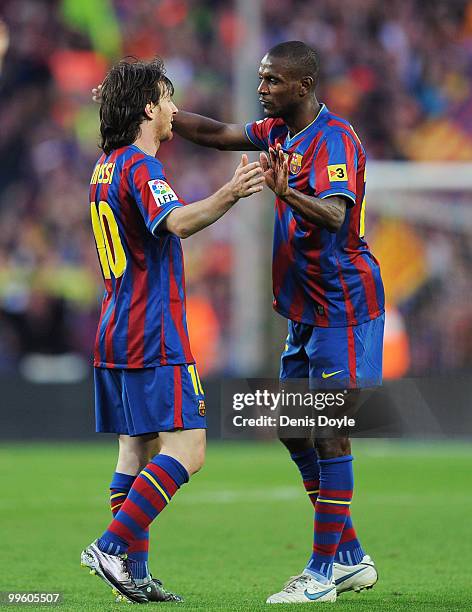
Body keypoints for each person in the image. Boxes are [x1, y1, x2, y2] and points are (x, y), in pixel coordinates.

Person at [172, 41, 385, 604]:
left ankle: (322, 574)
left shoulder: (335, 139)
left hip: (344, 308)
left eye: (271, 81)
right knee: (293, 426)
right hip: (305, 310)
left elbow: (338, 216)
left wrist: (289, 193)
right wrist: (158, 113)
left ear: (303, 84)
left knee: (330, 431)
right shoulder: (275, 132)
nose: (261, 88)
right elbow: (216, 133)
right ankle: (351, 557)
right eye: (261, 79)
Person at [81, 56, 264, 604]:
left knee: (135, 453)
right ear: (148, 108)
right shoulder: (141, 166)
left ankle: (132, 573)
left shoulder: (104, 168)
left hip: (114, 324)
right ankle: (113, 547)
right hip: (151, 330)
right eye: (167, 98)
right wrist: (231, 192)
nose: (175, 109)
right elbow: (177, 222)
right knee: (190, 446)